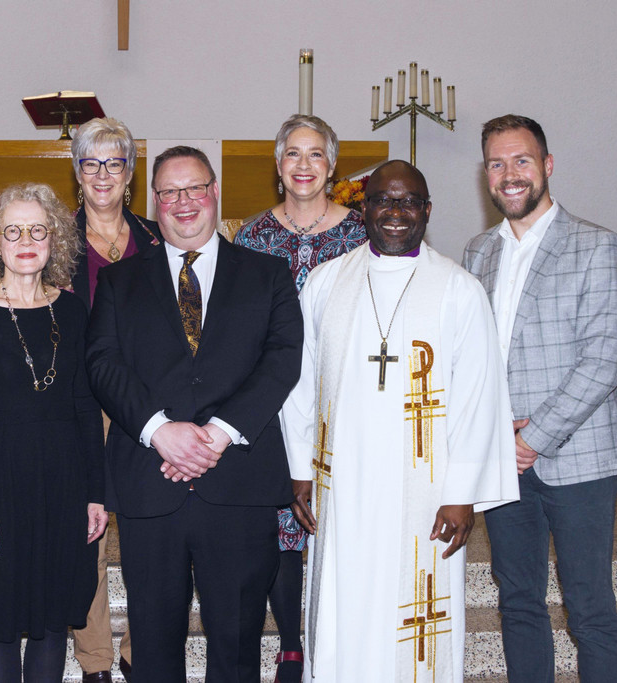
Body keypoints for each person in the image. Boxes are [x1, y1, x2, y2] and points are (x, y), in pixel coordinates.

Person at [282, 160, 518, 682]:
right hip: (341, 486)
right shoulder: (325, 283)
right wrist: (300, 466)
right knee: (345, 603)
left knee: (414, 617)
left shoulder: (458, 290)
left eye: (408, 201)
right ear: (363, 208)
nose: (395, 212)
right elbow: (298, 382)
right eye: (383, 200)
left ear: (427, 211)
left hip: (426, 492)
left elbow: (481, 395)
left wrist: (463, 492)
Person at [87, 146, 303, 682]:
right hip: (149, 483)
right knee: (154, 647)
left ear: (215, 192)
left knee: (236, 644)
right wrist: (159, 432)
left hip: (238, 483)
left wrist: (216, 435)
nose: (183, 202)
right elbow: (103, 364)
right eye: (169, 192)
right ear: (154, 201)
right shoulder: (118, 282)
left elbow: (282, 361)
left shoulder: (269, 275)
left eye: (194, 188)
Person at [462, 115, 617, 682]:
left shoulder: (598, 244)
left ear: (547, 166)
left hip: (577, 459)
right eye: (497, 163)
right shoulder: (477, 252)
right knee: (518, 604)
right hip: (502, 462)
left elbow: (602, 362)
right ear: (486, 174)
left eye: (522, 161)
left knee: (589, 611)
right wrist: (493, 438)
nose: (510, 175)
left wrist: (530, 440)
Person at [0, 183, 107, 682]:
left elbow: (85, 407)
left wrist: (96, 495)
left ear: (54, 239)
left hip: (63, 485)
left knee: (54, 619)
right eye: (12, 231)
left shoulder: (74, 309)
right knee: (0, 623)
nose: (25, 240)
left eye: (37, 229)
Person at [233, 114, 366, 683]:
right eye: (293, 154)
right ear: (278, 164)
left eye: (316, 154)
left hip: (347, 396)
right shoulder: (252, 237)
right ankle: (292, 646)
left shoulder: (363, 232)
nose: (304, 165)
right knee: (285, 526)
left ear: (331, 165)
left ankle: (342, 637)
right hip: (274, 399)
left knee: (344, 522)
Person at [68, 116, 159, 683]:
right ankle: (97, 661)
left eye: (115, 162)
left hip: (149, 405)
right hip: (79, 403)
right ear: (76, 172)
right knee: (89, 538)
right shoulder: (52, 238)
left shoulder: (156, 236)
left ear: (130, 172)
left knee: (153, 533)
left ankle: (139, 651)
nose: (103, 174)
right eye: (90, 162)